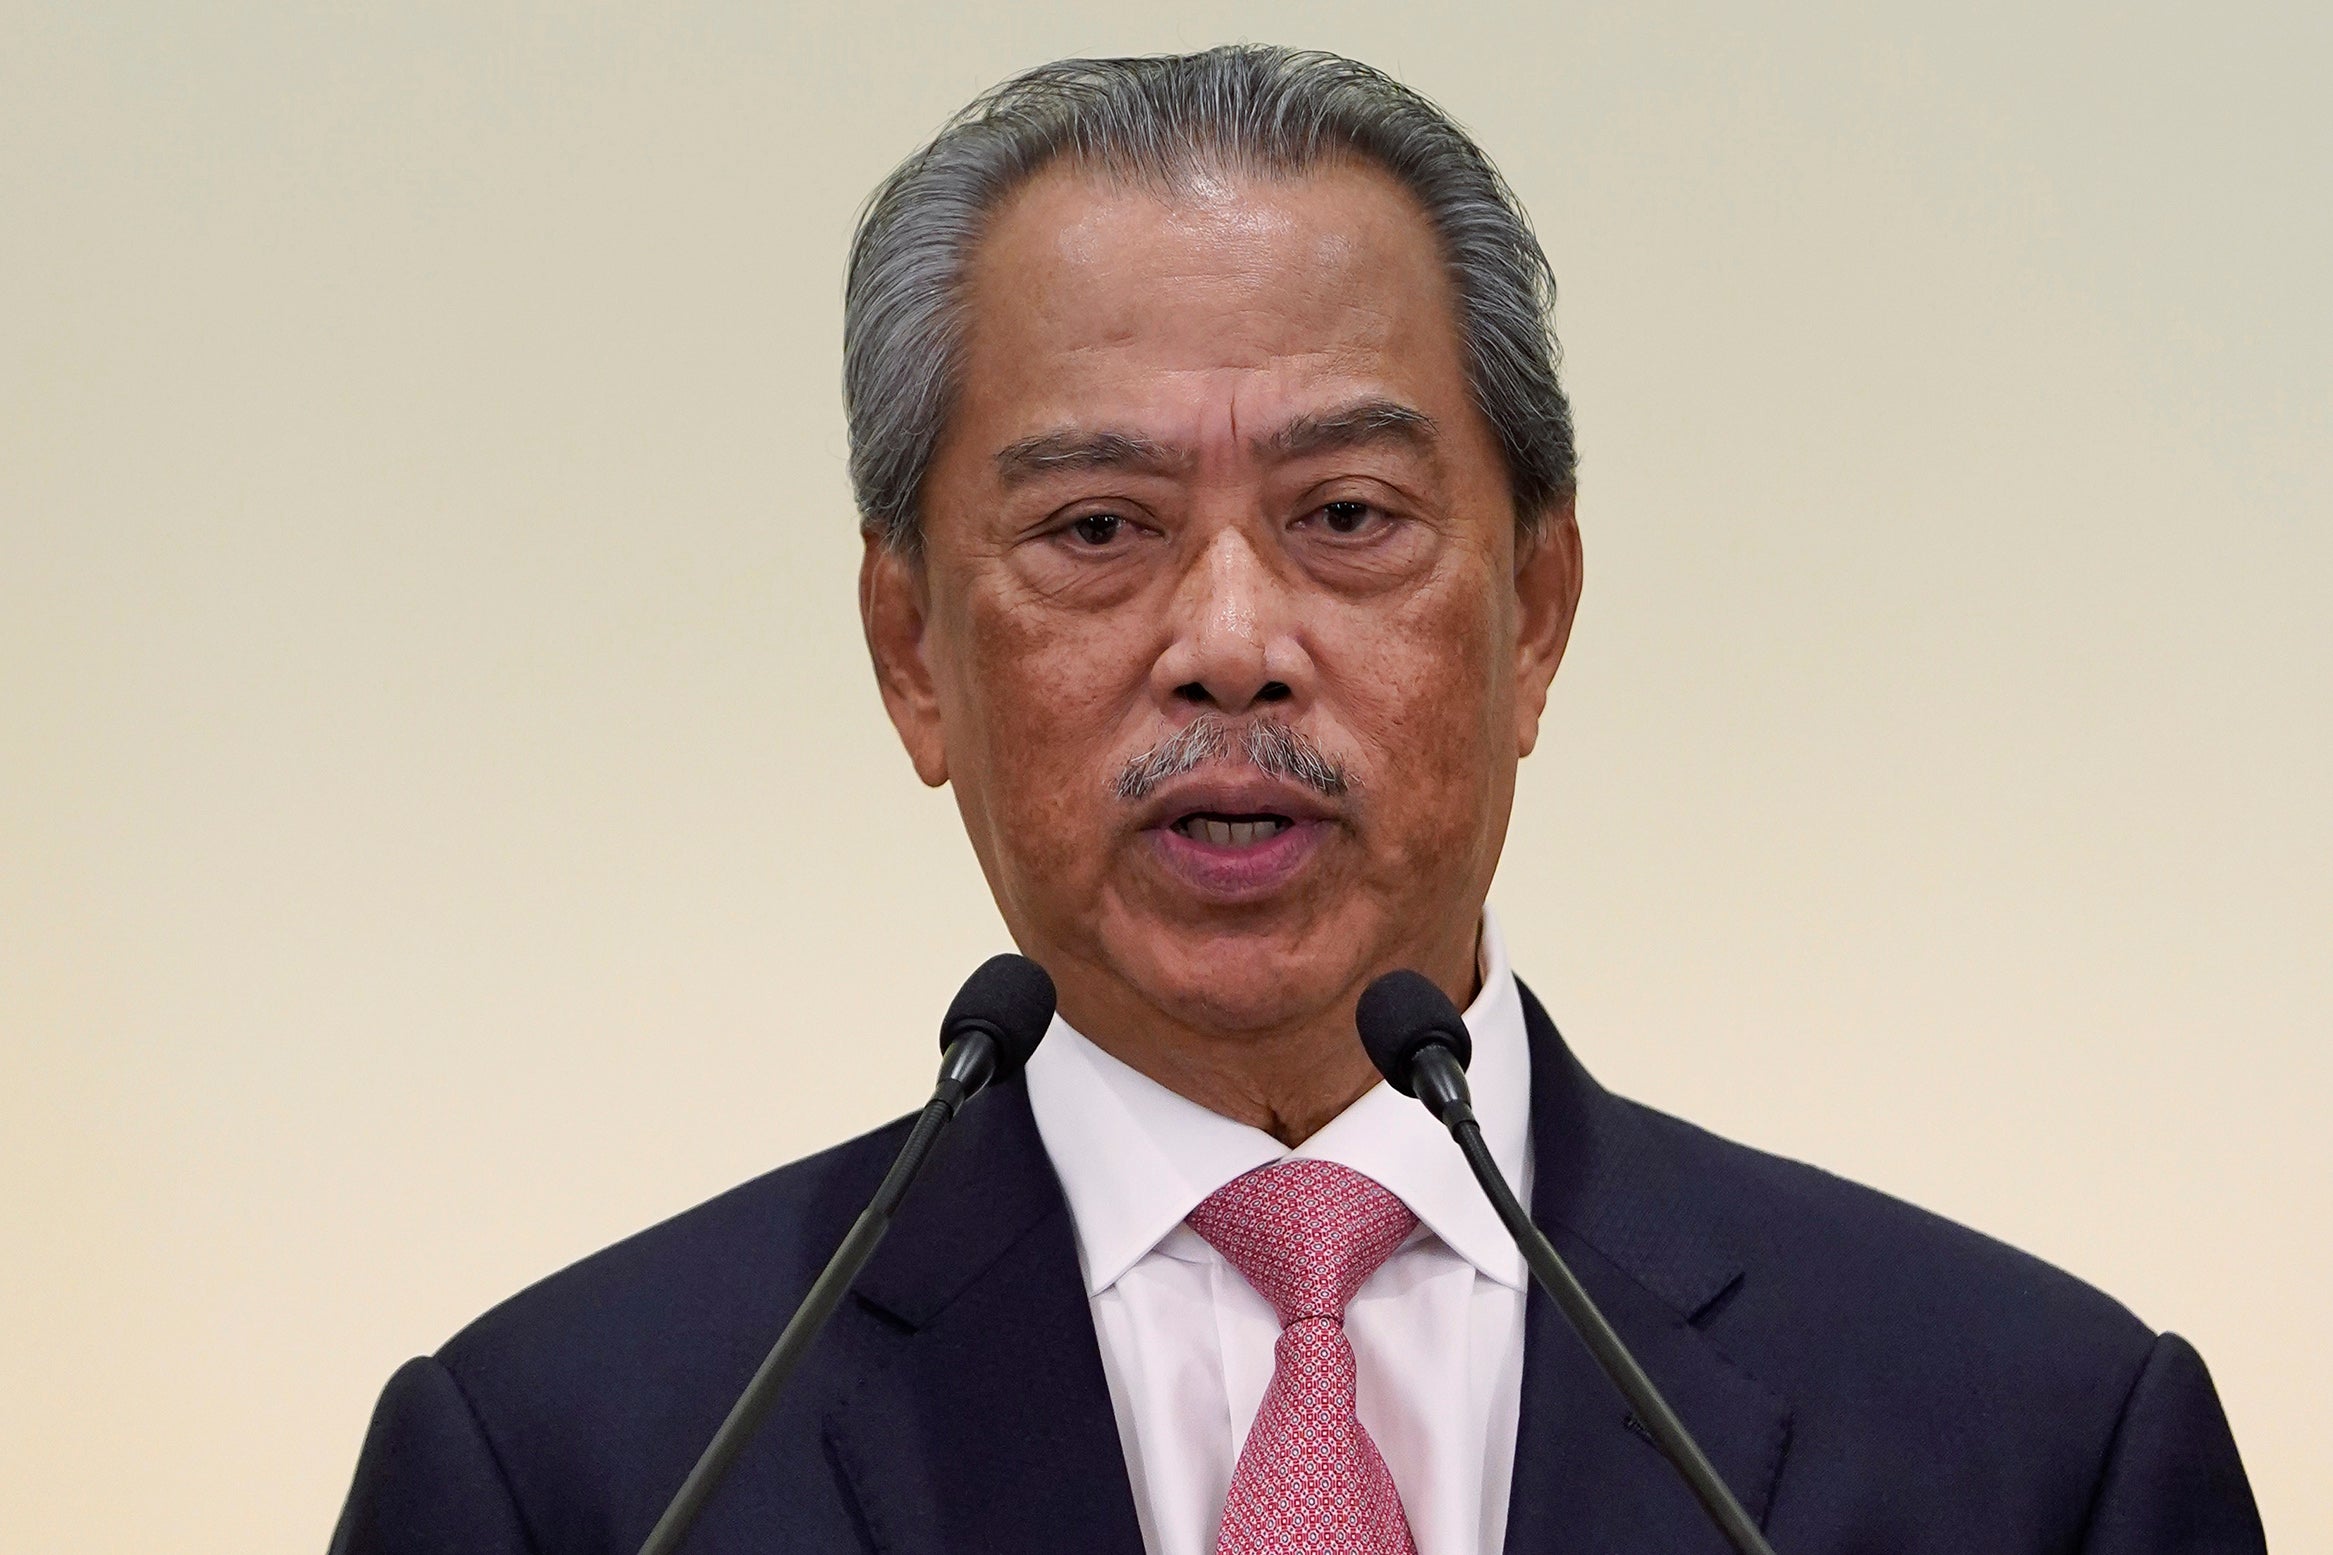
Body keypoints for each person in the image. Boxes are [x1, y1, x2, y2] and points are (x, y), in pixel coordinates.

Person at [330, 46, 2263, 1555]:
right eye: (1099, 529)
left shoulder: (2033, 1451)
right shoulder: (575, 1474)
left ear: (1535, 615)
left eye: (1346, 515)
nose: (1231, 646)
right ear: (912, 652)